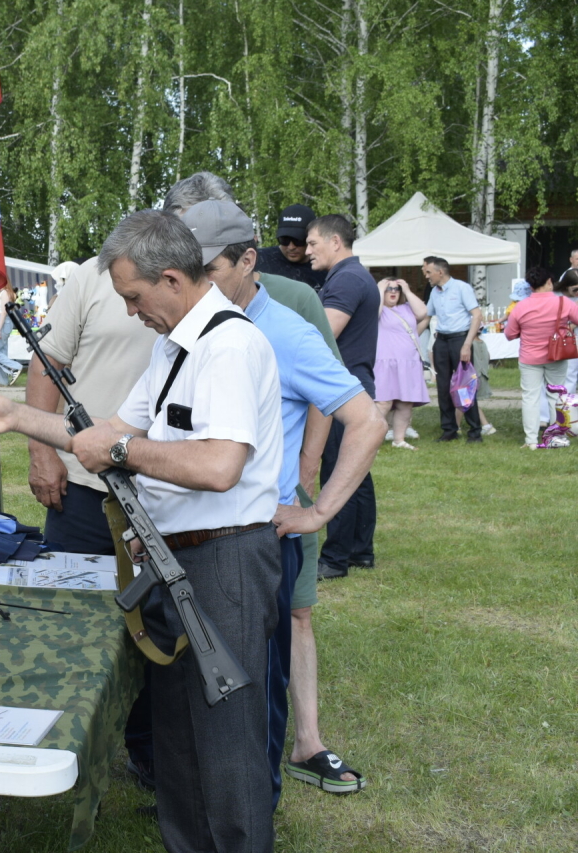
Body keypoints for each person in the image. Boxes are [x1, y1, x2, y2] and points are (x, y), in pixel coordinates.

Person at [0, 208, 283, 853]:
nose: (132, 313)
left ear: (171, 279)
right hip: (177, 559)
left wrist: (121, 452)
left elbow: (219, 465)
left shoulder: (227, 346)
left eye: (135, 298)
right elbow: (104, 433)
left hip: (224, 561)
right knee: (179, 736)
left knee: (225, 744)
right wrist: (20, 416)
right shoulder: (177, 347)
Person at [180, 199, 382, 805]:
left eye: (208, 270)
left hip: (258, 544)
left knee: (253, 693)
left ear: (247, 261)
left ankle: (254, 810)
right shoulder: (194, 325)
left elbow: (365, 420)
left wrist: (316, 509)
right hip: (199, 539)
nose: (194, 284)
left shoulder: (285, 332)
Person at [25, 258, 156, 555]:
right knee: (70, 595)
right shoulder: (94, 273)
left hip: (175, 494)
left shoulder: (208, 284)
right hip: (85, 484)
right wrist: (42, 451)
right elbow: (47, 361)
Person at [305, 214, 380, 581]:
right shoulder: (351, 275)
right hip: (355, 383)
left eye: (312, 243)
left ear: (336, 242)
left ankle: (335, 559)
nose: (306, 252)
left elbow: (323, 333)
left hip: (342, 389)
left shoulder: (347, 278)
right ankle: (360, 552)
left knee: (339, 472)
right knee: (357, 473)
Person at [505, 266, 578, 446]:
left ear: (530, 285)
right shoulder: (564, 303)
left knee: (530, 398)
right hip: (557, 356)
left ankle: (530, 441)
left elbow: (509, 334)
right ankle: (556, 437)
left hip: (529, 358)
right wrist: (567, 328)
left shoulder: (521, 307)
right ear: (548, 281)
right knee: (556, 396)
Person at [422, 255, 484, 443]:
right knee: (443, 387)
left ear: (440, 272)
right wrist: (410, 337)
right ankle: (449, 429)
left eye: (428, 272)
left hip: (460, 340)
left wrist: (467, 344)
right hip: (442, 340)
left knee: (465, 385)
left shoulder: (461, 288)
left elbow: (477, 315)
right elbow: (426, 317)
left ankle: (475, 432)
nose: (426, 276)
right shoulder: (434, 292)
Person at [373, 277, 430, 450]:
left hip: (408, 363)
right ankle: (369, 439)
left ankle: (399, 439)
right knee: (383, 403)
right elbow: (371, 312)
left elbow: (423, 313)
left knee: (406, 402)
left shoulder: (406, 308)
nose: (392, 292)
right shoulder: (379, 309)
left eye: (396, 289)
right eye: (388, 289)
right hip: (384, 362)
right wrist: (378, 289)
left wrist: (407, 289)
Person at [255, 203, 328, 291]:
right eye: (284, 240)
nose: (291, 247)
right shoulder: (257, 259)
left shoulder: (324, 267)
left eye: (298, 240)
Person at [0, 284, 22, 385]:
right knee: (1, 352)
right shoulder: (7, 293)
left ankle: (15, 367)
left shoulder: (5, 293)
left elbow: (4, 312)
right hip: (1, 321)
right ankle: (2, 380)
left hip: (0, 321)